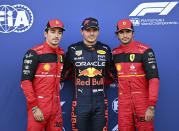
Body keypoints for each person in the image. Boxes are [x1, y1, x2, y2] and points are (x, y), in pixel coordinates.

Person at [61, 17, 115, 131]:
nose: (91, 33)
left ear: (98, 31)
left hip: (100, 103)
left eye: (94, 30)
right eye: (88, 30)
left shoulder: (105, 49)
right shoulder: (73, 49)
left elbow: (113, 75)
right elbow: (63, 76)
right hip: (80, 103)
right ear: (82, 31)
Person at [112, 19, 159, 131]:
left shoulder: (145, 50)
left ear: (133, 33)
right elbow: (110, 76)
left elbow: (154, 79)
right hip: (123, 103)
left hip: (142, 102)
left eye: (128, 32)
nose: (125, 35)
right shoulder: (114, 53)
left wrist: (151, 106)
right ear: (117, 35)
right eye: (121, 32)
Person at [21, 19, 65, 131]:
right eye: (53, 31)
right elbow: (25, 82)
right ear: (45, 33)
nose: (56, 35)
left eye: (59, 32)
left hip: (56, 108)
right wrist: (34, 107)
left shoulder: (62, 54)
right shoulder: (34, 53)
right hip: (39, 106)